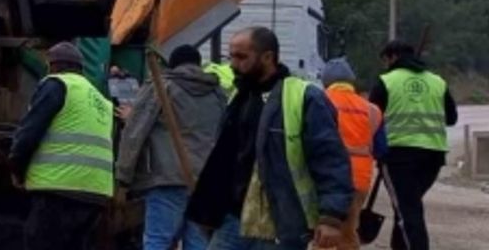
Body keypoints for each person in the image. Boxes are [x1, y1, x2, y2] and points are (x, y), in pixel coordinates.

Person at [185, 27, 353, 250]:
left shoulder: (304, 97)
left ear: (267, 57)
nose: (233, 64)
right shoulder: (240, 96)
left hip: (281, 222)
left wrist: (331, 217)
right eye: (231, 56)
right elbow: (225, 158)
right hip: (234, 220)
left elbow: (330, 159)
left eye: (241, 57)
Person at [117, 45, 228, 250]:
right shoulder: (217, 94)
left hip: (167, 177)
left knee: (158, 240)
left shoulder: (162, 86)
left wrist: (123, 177)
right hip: (205, 182)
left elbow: (135, 132)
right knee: (197, 243)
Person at [8, 41, 114, 250]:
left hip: (59, 188)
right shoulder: (101, 99)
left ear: (52, 66)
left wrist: (17, 168)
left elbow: (29, 132)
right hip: (96, 192)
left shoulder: (57, 84)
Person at [368, 40, 458, 250]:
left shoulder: (386, 81)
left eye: (385, 60)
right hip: (433, 157)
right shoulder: (437, 82)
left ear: (392, 57)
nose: (385, 65)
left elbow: (370, 120)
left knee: (408, 212)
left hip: (398, 156)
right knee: (406, 207)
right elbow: (451, 118)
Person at [321, 58, 386, 250]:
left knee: (323, 232)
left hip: (326, 176)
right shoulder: (371, 109)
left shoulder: (318, 101)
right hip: (359, 178)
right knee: (348, 232)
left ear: (326, 81)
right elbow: (381, 149)